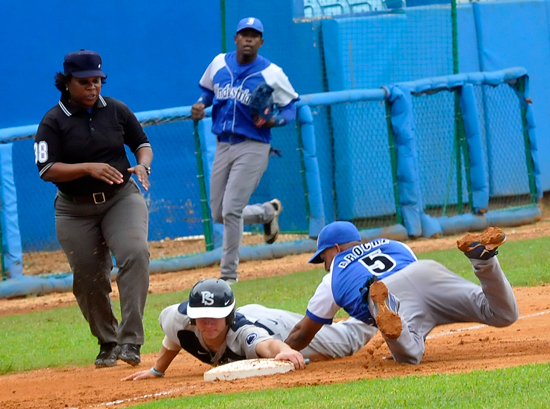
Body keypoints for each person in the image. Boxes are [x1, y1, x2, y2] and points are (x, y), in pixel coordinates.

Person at [34, 49, 153, 369]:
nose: (93, 87)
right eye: (84, 82)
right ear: (67, 83)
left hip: (120, 199)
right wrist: (87, 168)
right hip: (74, 210)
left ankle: (131, 341)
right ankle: (108, 340)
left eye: (98, 81)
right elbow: (46, 169)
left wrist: (142, 166)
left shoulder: (115, 110)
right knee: (89, 276)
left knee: (135, 252)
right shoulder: (53, 120)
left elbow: (142, 144)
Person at [285, 221, 519, 365]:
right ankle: (484, 261)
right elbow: (419, 291)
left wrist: (280, 352)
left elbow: (301, 334)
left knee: (410, 355)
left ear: (336, 249)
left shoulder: (333, 276)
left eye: (323, 257)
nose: (325, 265)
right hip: (426, 270)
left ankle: (385, 310)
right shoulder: (392, 244)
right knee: (501, 314)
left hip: (388, 293)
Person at [191, 17, 299, 285]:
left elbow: (291, 107)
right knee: (220, 213)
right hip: (223, 144)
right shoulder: (219, 63)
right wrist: (200, 104)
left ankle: (228, 277)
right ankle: (266, 213)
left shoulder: (273, 72)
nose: (249, 39)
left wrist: (276, 121)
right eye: (244, 34)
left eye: (254, 35)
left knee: (231, 210)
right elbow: (207, 91)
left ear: (261, 42)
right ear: (236, 38)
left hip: (253, 146)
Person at [122, 278, 377, 380]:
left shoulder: (242, 332)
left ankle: (375, 306)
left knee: (346, 342)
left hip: (276, 328)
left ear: (229, 315)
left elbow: (266, 345)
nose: (207, 322)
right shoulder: (177, 318)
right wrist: (157, 370)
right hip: (253, 317)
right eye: (202, 317)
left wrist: (286, 350)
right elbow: (173, 338)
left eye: (215, 317)